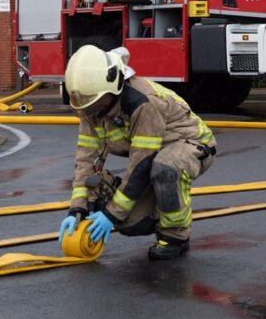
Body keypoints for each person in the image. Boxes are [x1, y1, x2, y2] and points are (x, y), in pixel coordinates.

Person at [57, 45, 216, 260]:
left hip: (191, 146)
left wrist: (111, 214)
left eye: (94, 103)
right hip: (153, 156)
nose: (89, 112)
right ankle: (158, 209)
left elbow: (141, 163)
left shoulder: (144, 103)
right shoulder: (92, 106)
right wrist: (78, 209)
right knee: (125, 219)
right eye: (85, 105)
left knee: (165, 168)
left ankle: (175, 236)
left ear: (112, 89)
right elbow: (86, 159)